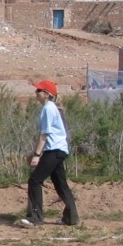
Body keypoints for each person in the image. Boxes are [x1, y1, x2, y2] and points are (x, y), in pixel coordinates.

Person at [20, 80, 80, 227]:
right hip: (58, 150)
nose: (36, 93)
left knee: (35, 181)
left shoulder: (48, 108)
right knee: (61, 185)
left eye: (39, 90)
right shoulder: (50, 107)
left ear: (47, 94)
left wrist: (37, 155)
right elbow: (42, 134)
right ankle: (71, 218)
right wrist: (33, 152)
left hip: (54, 150)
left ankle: (35, 218)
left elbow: (44, 135)